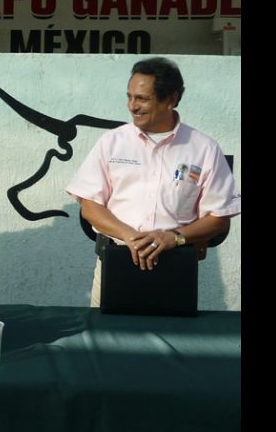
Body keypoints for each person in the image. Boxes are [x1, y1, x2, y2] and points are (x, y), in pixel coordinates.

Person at [65, 56, 241, 307]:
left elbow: (219, 216)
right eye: (129, 97)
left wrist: (175, 238)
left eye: (142, 99)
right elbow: (90, 206)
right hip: (115, 260)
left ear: (171, 99)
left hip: (176, 264)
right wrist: (130, 237)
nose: (132, 106)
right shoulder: (112, 142)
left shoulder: (204, 149)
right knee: (107, 332)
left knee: (172, 331)